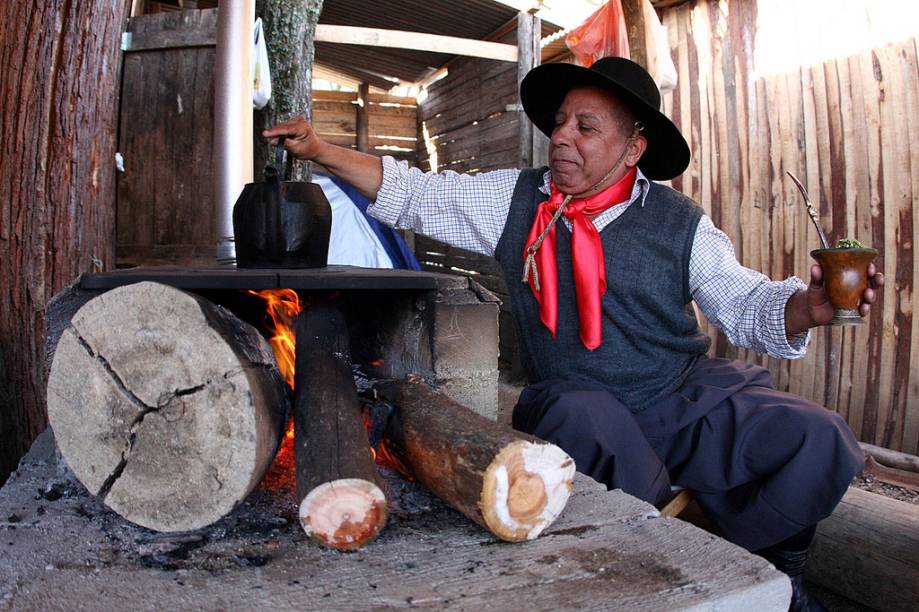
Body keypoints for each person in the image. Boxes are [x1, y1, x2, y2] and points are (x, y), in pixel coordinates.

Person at [264, 57, 882, 611]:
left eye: (586, 127)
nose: (562, 137)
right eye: (560, 123)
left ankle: (773, 572)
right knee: (576, 411)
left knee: (818, 437)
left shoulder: (677, 220)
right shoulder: (515, 200)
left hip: (682, 397)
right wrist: (322, 149)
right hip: (584, 408)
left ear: (633, 148)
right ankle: (684, 560)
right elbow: (416, 193)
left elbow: (744, 302)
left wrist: (809, 307)